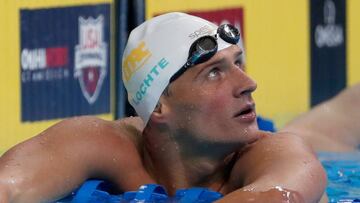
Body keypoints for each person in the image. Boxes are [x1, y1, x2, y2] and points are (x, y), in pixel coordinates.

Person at [0, 12, 327, 203]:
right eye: (214, 72)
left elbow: (282, 197)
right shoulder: (106, 145)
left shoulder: (277, 152)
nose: (248, 82)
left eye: (238, 62)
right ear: (159, 105)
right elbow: (8, 187)